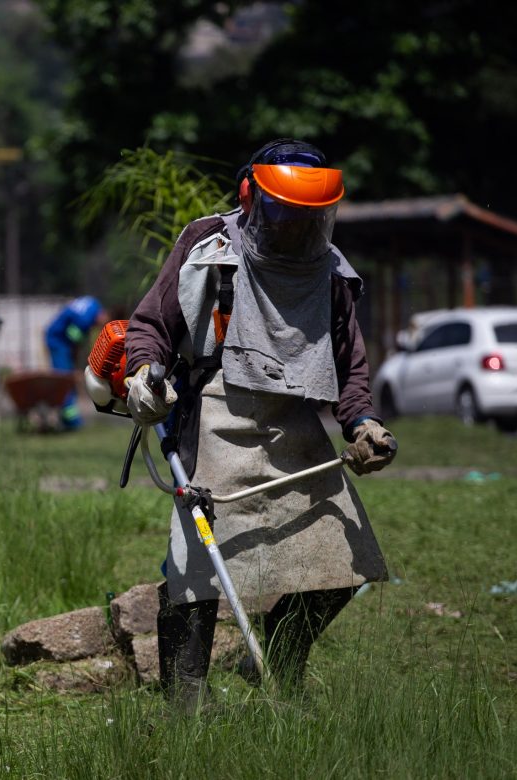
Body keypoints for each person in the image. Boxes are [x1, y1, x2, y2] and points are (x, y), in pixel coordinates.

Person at [122, 138, 398, 707]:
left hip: (293, 425)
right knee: (196, 564)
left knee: (345, 561)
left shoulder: (331, 274)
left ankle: (277, 659)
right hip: (215, 416)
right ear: (251, 197)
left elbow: (351, 368)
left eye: (309, 214)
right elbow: (149, 323)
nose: (295, 223)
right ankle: (185, 700)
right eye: (283, 209)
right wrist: (146, 374)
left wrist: (365, 424)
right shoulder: (209, 246)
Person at [44, 295, 107, 429]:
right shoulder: (85, 321)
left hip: (59, 338)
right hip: (58, 343)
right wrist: (75, 362)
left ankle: (67, 419)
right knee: (65, 381)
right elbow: (73, 341)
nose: (97, 327)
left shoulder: (94, 303)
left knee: (67, 379)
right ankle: (71, 422)